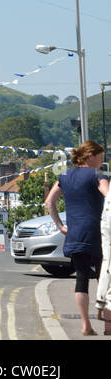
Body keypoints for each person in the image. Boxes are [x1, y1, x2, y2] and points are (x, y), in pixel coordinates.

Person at [45, 140, 110, 336]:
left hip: (75, 234)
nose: (102, 161)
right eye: (100, 157)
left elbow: (49, 201)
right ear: (90, 156)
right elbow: (108, 195)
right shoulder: (96, 175)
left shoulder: (64, 176)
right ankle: (108, 326)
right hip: (98, 233)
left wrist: (60, 226)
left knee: (81, 279)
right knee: (105, 279)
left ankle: (85, 325)